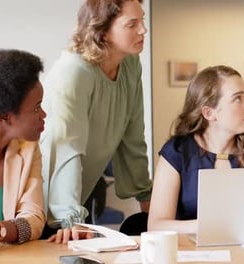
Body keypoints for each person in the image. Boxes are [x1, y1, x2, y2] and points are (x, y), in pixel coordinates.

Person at [40, 0, 152, 244]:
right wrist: (69, 219)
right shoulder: (73, 71)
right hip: (43, 202)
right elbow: (66, 149)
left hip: (76, 196)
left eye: (142, 20)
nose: (143, 29)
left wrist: (146, 194)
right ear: (102, 32)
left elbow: (133, 134)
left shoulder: (131, 64)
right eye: (132, 24)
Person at [147, 65, 244, 233]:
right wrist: (217, 226)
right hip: (194, 255)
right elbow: (156, 226)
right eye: (238, 98)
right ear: (209, 113)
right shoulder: (177, 151)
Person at [0, 49, 46, 243]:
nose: (43, 115)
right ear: (5, 115)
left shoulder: (28, 149)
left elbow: (35, 218)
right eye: (36, 107)